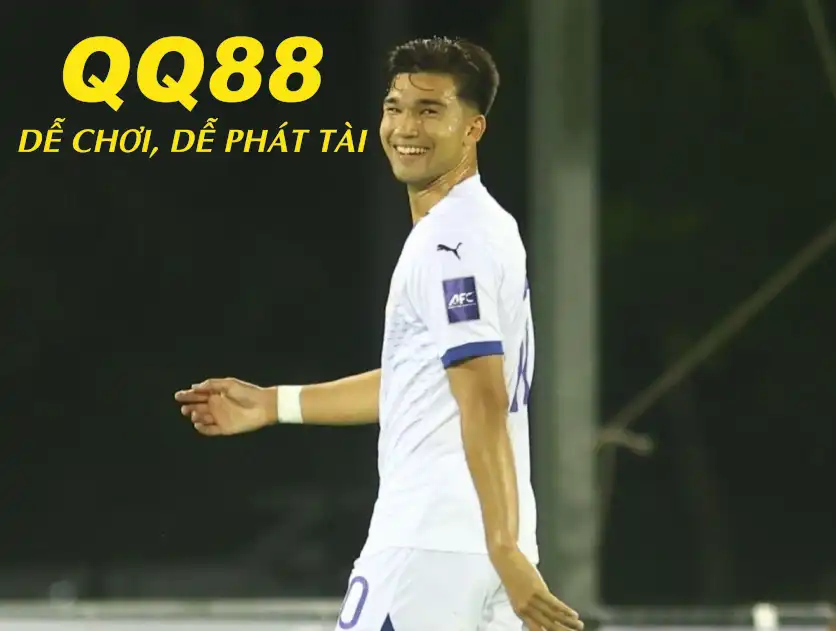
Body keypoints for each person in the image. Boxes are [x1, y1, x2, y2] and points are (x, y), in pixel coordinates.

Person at [175, 36, 583, 631]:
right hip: (484, 545)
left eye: (430, 110)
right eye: (395, 108)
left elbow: (482, 396)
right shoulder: (487, 225)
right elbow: (425, 383)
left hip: (429, 550)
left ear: (474, 128)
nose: (405, 127)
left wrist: (503, 549)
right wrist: (273, 404)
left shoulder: (449, 241)